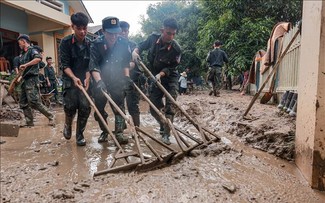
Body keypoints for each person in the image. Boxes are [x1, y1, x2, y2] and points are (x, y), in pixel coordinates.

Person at [132, 18, 181, 145]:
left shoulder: (176, 49)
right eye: (168, 33)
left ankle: (166, 134)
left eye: (173, 34)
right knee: (153, 107)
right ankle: (163, 123)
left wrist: (161, 74)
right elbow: (141, 46)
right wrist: (135, 52)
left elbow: (172, 67)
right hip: (154, 77)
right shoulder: (153, 38)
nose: (171, 36)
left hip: (170, 78)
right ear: (162, 30)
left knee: (171, 105)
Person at [89, 16, 131, 144]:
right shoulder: (96, 44)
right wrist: (99, 82)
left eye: (116, 33)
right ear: (103, 31)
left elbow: (125, 63)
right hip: (100, 79)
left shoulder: (123, 43)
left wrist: (127, 78)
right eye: (110, 33)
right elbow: (93, 65)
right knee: (99, 110)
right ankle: (105, 131)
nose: (114, 36)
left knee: (119, 107)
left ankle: (119, 133)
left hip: (117, 80)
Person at [59, 12, 91, 146]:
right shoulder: (65, 42)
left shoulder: (90, 43)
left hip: (85, 79)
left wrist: (88, 77)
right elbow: (64, 64)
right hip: (69, 78)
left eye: (85, 28)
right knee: (70, 106)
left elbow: (91, 64)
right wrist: (73, 77)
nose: (83, 32)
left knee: (85, 107)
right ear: (73, 27)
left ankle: (80, 135)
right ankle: (68, 124)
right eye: (79, 28)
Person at [16, 34, 54, 127]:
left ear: (24, 41)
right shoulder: (23, 54)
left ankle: (51, 116)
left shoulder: (32, 50)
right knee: (23, 102)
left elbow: (38, 59)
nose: (19, 45)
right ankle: (29, 122)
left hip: (32, 79)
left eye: (19, 43)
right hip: (25, 80)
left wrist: (26, 65)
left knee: (34, 101)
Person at [120, 21, 141, 127]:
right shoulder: (115, 45)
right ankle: (121, 128)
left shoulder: (133, 45)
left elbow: (133, 64)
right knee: (119, 103)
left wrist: (123, 68)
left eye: (125, 31)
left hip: (132, 79)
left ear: (128, 31)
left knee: (132, 104)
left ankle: (137, 129)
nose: (123, 33)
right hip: (118, 79)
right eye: (121, 31)